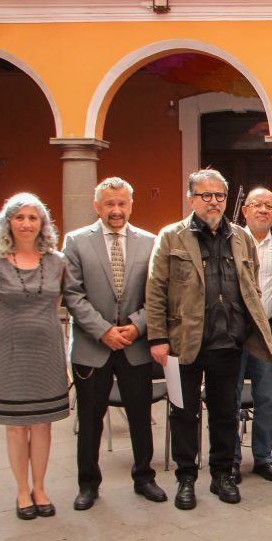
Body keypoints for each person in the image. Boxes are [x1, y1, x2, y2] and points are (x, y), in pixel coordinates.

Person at [146, 169, 272, 510]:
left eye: (219, 196)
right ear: (191, 199)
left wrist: (248, 328)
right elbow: (155, 290)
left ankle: (221, 475)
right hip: (181, 344)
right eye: (206, 196)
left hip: (227, 344)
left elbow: (252, 286)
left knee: (225, 413)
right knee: (183, 413)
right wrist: (157, 337)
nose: (214, 202)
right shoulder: (171, 237)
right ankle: (186, 478)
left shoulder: (241, 238)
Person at [62, 177, 166, 511]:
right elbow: (73, 295)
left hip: (135, 346)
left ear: (131, 205)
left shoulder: (149, 243)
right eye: (110, 204)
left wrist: (136, 327)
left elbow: (158, 293)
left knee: (140, 414)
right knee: (91, 417)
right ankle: (88, 484)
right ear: (97, 206)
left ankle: (144, 477)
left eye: (122, 204)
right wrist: (104, 330)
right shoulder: (76, 242)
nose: (116, 210)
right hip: (93, 347)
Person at [0, 193, 69, 520]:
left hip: (46, 352)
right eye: (19, 217)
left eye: (33, 217)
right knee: (16, 426)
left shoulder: (57, 261)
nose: (26, 224)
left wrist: (37, 324)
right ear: (8, 223)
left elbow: (54, 305)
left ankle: (40, 488)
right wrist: (13, 325)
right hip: (9, 351)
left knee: (42, 424)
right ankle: (21, 491)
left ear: (42, 223)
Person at [232, 188, 272, 484]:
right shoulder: (228, 242)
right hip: (232, 335)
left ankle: (263, 458)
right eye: (257, 205)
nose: (263, 210)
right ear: (245, 210)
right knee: (228, 399)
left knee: (266, 399)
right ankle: (230, 460)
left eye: (269, 206)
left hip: (266, 333)